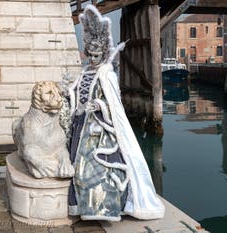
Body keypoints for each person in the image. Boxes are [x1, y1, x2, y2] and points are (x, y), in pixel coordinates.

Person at [67, 5, 164, 221]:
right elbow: (75, 93)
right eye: (89, 54)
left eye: (96, 55)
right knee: (76, 168)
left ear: (103, 53)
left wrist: (99, 107)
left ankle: (102, 209)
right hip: (81, 127)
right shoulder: (85, 72)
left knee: (94, 170)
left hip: (99, 130)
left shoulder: (107, 74)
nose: (92, 59)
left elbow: (114, 105)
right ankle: (82, 207)